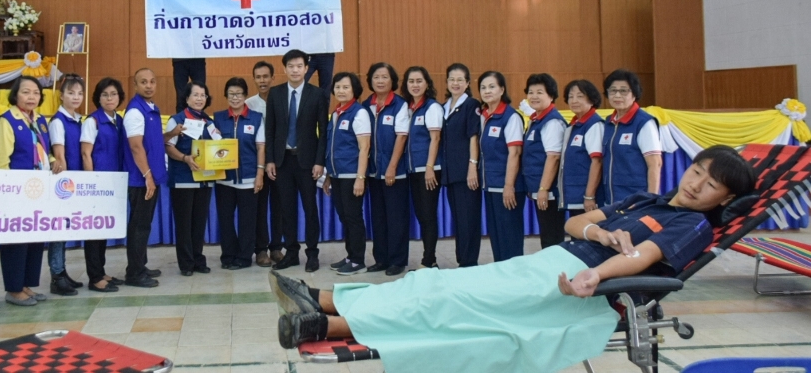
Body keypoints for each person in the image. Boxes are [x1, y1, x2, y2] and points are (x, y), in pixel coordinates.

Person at [271, 146, 756, 373]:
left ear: (725, 199)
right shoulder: (648, 200)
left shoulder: (692, 225)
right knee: (439, 284)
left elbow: (641, 257)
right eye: (697, 170)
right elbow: (575, 224)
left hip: (578, 289)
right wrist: (598, 231)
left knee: (453, 305)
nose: (696, 183)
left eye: (711, 183)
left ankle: (325, 322)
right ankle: (323, 300)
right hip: (553, 259)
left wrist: (594, 275)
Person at [265, 49, 330, 272]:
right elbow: (270, 129)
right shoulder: (275, 94)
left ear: (306, 68)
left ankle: (312, 253)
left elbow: (323, 131)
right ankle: (291, 252)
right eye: (291, 66)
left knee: (310, 209)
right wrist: (270, 160)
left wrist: (320, 161)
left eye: (299, 66)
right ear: (284, 69)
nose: (295, 70)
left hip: (308, 162)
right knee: (287, 209)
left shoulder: (317, 94)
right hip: (282, 161)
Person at [0, 75, 51, 307]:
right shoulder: (7, 120)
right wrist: (9, 192)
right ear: (15, 94)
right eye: (26, 92)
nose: (31, 97)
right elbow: (1, 161)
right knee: (16, 241)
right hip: (17, 192)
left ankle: (26, 285)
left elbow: (43, 150)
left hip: (38, 190)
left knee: (34, 239)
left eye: (36, 93)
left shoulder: (40, 120)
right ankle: (13, 288)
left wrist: (54, 160)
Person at [164, 81, 218, 276]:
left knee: (199, 223)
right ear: (187, 98)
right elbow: (168, 147)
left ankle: (198, 260)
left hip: (204, 180)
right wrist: (185, 158)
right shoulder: (177, 120)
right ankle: (186, 264)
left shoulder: (209, 122)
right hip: (183, 180)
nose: (199, 99)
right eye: (195, 95)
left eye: (203, 95)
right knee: (184, 224)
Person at [362, 62, 410, 276]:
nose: (380, 81)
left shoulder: (399, 104)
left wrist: (392, 167)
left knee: (396, 218)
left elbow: (401, 137)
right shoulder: (366, 105)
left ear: (392, 81)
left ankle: (397, 260)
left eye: (384, 77)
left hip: (395, 173)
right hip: (373, 171)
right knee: (378, 218)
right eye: (376, 77)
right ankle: (381, 259)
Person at [213, 77, 266, 269]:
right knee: (225, 221)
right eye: (231, 94)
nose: (235, 98)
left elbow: (261, 148)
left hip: (249, 178)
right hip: (224, 179)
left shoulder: (256, 118)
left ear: (245, 96)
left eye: (239, 94)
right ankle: (228, 255)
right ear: (226, 95)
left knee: (247, 221)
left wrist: (259, 174)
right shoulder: (218, 118)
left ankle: (244, 257)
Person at [82, 77, 128, 292]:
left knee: (103, 229)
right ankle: (95, 278)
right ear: (98, 98)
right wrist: (92, 184)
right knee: (94, 232)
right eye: (105, 95)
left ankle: (101, 271)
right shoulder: (92, 121)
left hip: (114, 183)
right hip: (97, 185)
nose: (110, 98)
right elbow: (86, 153)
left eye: (113, 94)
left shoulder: (119, 120)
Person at [122, 68, 167, 288]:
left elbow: (152, 140)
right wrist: (147, 176)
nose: (149, 86)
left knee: (144, 225)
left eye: (152, 81)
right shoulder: (135, 111)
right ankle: (134, 273)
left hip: (150, 177)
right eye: (143, 82)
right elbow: (136, 146)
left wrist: (172, 134)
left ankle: (140, 265)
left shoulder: (150, 108)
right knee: (139, 226)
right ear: (135, 85)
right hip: (141, 180)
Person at [324, 72, 372, 275]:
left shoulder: (359, 113)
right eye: (337, 87)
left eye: (346, 87)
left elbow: (364, 147)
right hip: (337, 175)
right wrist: (328, 176)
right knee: (344, 217)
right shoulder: (336, 113)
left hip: (352, 175)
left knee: (353, 218)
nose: (341, 91)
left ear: (354, 90)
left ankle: (358, 261)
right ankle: (351, 256)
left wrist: (360, 178)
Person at [478, 70, 526, 262]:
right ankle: (501, 271)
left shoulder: (510, 116)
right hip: (490, 184)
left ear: (502, 89)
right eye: (483, 87)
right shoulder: (484, 115)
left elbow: (514, 153)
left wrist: (509, 186)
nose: (487, 91)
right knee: (497, 235)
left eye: (492, 87)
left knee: (509, 236)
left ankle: (514, 274)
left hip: (507, 186)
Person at [438, 63, 482, 268]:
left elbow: (473, 136)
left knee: (468, 219)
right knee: (459, 219)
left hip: (466, 172)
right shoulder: (444, 107)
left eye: (460, 80)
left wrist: (472, 166)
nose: (455, 83)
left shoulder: (471, 105)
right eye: (451, 79)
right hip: (450, 172)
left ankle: (469, 262)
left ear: (467, 83)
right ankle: (461, 260)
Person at [47, 74, 87, 296]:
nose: (76, 97)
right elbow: (60, 156)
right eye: (71, 93)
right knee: (58, 231)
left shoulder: (79, 120)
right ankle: (57, 276)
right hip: (64, 184)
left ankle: (62, 271)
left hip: (77, 182)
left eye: (79, 93)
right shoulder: (58, 121)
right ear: (61, 96)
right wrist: (66, 185)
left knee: (65, 229)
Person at [401, 66, 443, 269]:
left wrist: (429, 167)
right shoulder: (408, 108)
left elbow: (435, 139)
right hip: (412, 170)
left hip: (428, 171)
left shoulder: (432, 107)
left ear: (427, 84)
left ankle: (430, 260)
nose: (415, 85)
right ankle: (428, 258)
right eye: (411, 81)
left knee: (428, 215)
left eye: (419, 81)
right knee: (421, 215)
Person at [522, 73, 569, 249]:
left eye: (539, 92)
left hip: (549, 190)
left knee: (552, 236)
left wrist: (544, 188)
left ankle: (556, 267)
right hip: (539, 187)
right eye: (531, 92)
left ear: (551, 95)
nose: (534, 96)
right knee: (547, 235)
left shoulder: (552, 122)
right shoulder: (537, 119)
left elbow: (553, 157)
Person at [602, 69, 662, 203]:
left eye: (623, 91)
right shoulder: (609, 122)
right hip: (610, 198)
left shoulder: (644, 123)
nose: (617, 95)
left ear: (634, 94)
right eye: (613, 90)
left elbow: (655, 164)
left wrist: (650, 200)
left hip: (635, 199)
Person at [247, 60, 284, 267]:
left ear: (273, 78)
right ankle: (260, 249)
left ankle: (276, 247)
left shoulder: (282, 99)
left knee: (279, 206)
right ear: (254, 79)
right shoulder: (249, 104)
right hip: (258, 163)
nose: (262, 80)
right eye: (258, 77)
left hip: (280, 162)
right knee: (259, 207)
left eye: (266, 76)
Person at [559, 79, 605, 217]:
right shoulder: (574, 125)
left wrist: (589, 196)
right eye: (571, 96)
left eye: (580, 96)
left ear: (591, 99)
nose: (574, 101)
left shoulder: (594, 125)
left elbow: (597, 162)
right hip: (575, 192)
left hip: (587, 196)